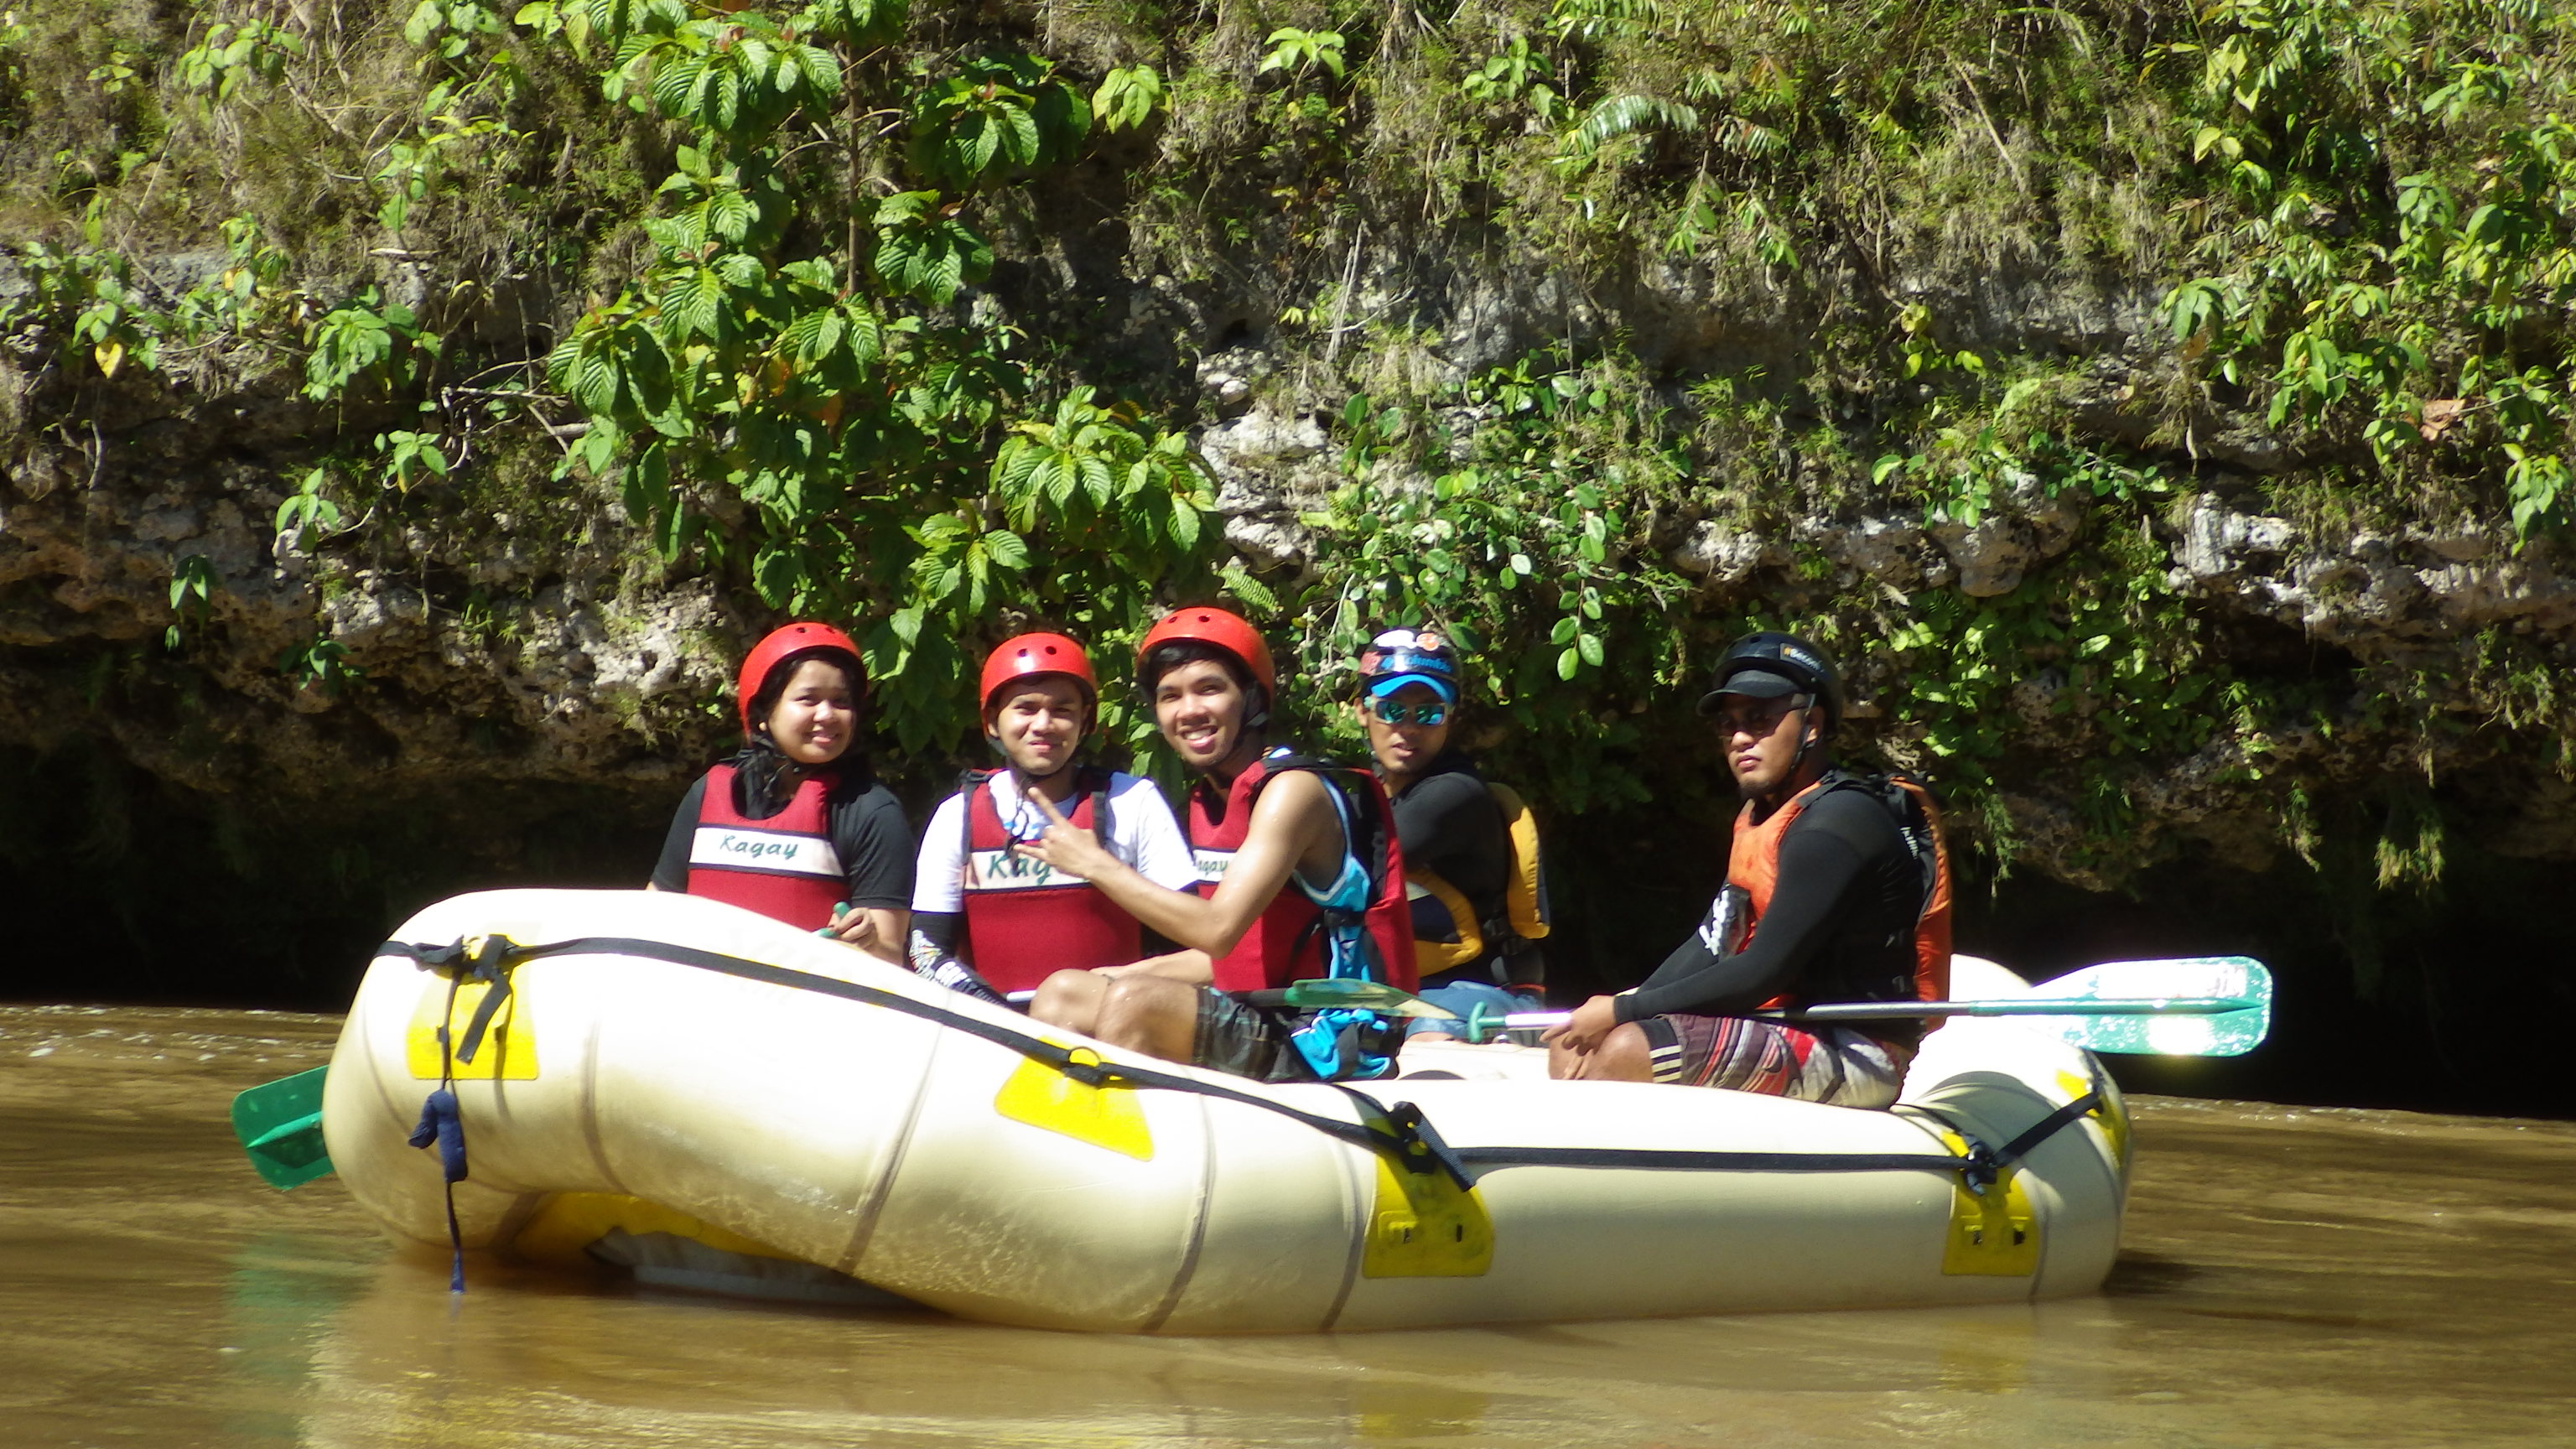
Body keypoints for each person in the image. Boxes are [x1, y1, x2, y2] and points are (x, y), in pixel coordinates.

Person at [1543, 631, 1951, 1109]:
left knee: (1627, 1049)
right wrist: (1613, 1012)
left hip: (1859, 1049)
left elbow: (1763, 971)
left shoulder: (1838, 823)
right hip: (1782, 1025)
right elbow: (1711, 943)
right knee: (1573, 1040)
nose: (1740, 738)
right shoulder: (1764, 817)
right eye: (1728, 723)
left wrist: (1622, 1012)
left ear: (1812, 723)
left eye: (1760, 719)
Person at [1018, 606, 1415, 1082]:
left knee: (1137, 1002)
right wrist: (1121, 973)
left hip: (1325, 1033)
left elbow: (1217, 931)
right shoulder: (1214, 798)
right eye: (1170, 697)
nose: (1189, 711)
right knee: (1066, 990)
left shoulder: (1291, 791)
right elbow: (1229, 958)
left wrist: (1098, 865)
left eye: (1209, 689)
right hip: (1264, 1011)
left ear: (1250, 699)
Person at [906, 631, 1201, 1003]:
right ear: (993, 723)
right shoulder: (957, 815)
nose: (1044, 724)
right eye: (1026, 708)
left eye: (1063, 710)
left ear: (1086, 723)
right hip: (993, 1030)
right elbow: (925, 950)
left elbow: (1198, 941)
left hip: (1108, 1025)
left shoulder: (1132, 801)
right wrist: (992, 1012)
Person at [649, 622, 911, 961]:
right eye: (808, 699)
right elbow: (655, 910)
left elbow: (890, 955)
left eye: (842, 702)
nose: (828, 715)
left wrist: (868, 941)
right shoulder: (708, 793)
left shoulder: (873, 812)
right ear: (762, 714)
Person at [1349, 627, 1550, 1042]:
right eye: (1391, 709)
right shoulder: (1364, 799)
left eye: (1429, 713)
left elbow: (1346, 865)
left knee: (1428, 1037)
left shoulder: (1455, 794)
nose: (1408, 728)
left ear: (1449, 719)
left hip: (1484, 998)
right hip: (1398, 993)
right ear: (1362, 711)